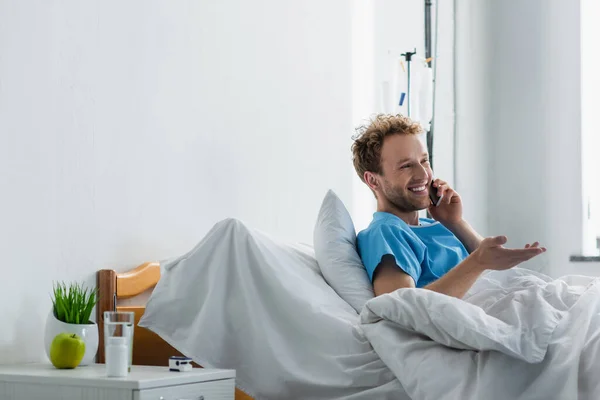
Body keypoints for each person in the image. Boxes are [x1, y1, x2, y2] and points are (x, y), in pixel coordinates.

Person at [351, 114, 546, 299]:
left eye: (424, 161)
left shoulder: (432, 225)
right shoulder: (385, 233)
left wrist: (455, 222)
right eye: (405, 166)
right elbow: (402, 307)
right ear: (373, 180)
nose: (424, 175)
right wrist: (476, 263)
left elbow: (493, 271)